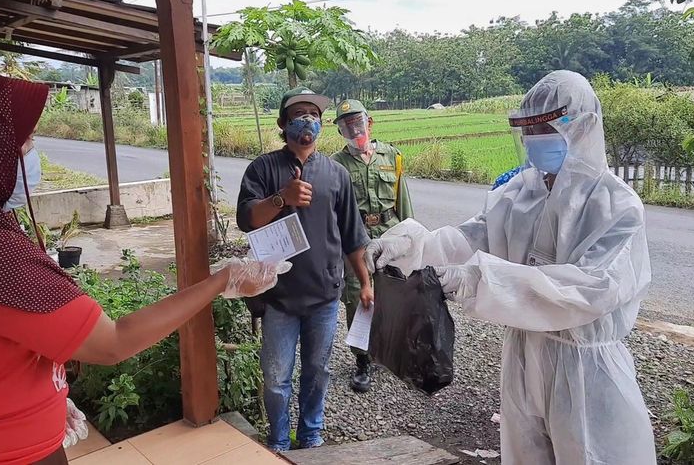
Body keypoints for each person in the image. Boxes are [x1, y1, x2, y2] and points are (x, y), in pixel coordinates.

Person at [0, 68, 285, 465]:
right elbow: (113, 341)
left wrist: (43, 398)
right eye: (25, 142)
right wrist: (223, 278)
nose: (32, 155)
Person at [366, 70, 656, 465]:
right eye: (528, 130)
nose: (534, 140)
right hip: (522, 353)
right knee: (524, 454)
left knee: (593, 454)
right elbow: (467, 239)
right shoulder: (520, 192)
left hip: (586, 366)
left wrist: (477, 279)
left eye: (545, 128)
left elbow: (594, 288)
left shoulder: (615, 205)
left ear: (583, 127)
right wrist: (408, 246)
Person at [236, 87, 372, 451]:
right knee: (277, 376)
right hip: (279, 298)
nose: (307, 120)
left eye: (313, 114)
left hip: (324, 296)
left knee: (318, 371)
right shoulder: (263, 168)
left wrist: (365, 283)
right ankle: (278, 440)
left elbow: (351, 234)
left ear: (321, 124)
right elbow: (246, 219)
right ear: (283, 124)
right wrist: (282, 198)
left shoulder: (335, 174)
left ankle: (311, 435)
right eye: (298, 114)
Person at [330, 99, 413, 392]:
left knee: (394, 293)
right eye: (346, 126)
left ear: (370, 122)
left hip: (390, 232)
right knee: (358, 298)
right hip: (357, 239)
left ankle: (390, 351)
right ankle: (362, 360)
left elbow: (403, 201)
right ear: (341, 131)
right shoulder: (335, 165)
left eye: (358, 123)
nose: (354, 130)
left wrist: (411, 238)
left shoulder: (392, 156)